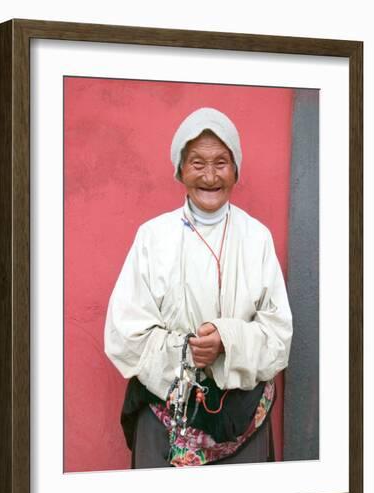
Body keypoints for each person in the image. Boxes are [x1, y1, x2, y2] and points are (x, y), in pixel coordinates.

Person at [104, 107, 293, 468]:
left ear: (236, 169)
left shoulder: (257, 239)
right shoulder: (152, 237)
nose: (210, 176)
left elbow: (278, 337)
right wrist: (186, 352)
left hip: (242, 419)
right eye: (197, 163)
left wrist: (227, 340)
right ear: (180, 170)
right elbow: (124, 334)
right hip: (165, 419)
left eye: (221, 162)